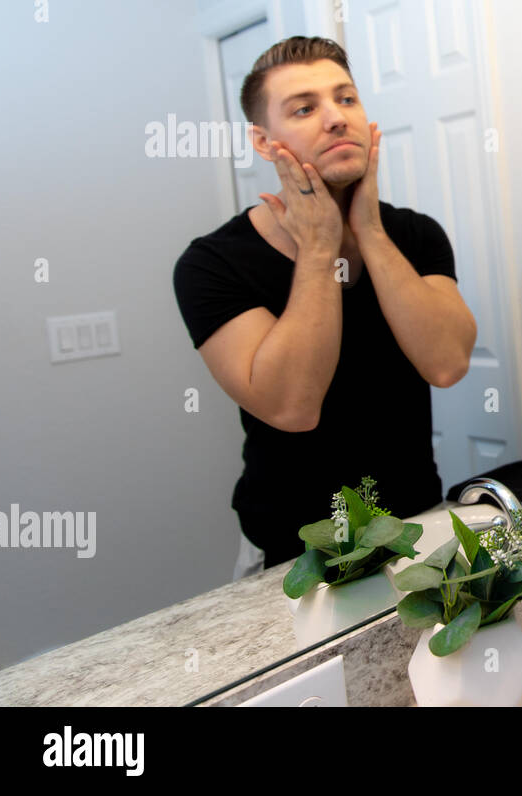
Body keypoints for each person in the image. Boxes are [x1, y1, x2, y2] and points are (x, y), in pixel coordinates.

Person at [173, 37, 476, 573]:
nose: (336, 118)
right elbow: (293, 407)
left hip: (415, 526)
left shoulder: (414, 235)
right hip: (291, 551)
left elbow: (447, 364)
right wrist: (318, 248)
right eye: (304, 108)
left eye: (346, 98)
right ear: (264, 142)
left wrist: (369, 232)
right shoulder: (213, 263)